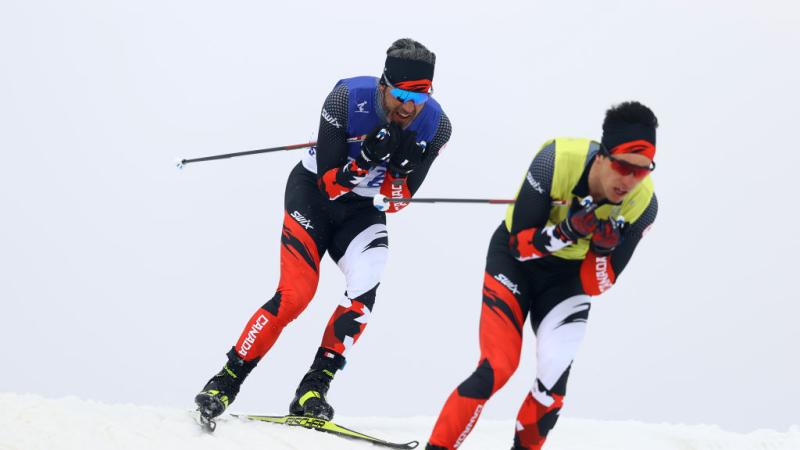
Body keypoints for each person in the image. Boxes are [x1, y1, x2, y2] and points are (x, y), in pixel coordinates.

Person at [194, 38, 452, 425]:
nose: (409, 107)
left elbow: (396, 203)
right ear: (384, 86)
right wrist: (365, 158)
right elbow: (330, 185)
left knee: (365, 289)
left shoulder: (437, 126)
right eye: (400, 94)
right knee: (296, 295)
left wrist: (399, 171)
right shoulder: (346, 100)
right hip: (313, 194)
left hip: (362, 212)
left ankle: (314, 388)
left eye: (420, 97)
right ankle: (225, 381)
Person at [425, 101, 659, 450]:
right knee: (498, 367)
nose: (630, 181)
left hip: (567, 280)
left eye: (642, 171)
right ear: (602, 156)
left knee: (553, 381)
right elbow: (520, 246)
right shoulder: (556, 159)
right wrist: (566, 231)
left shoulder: (644, 204)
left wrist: (602, 250)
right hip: (515, 264)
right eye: (624, 166)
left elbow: (598, 284)